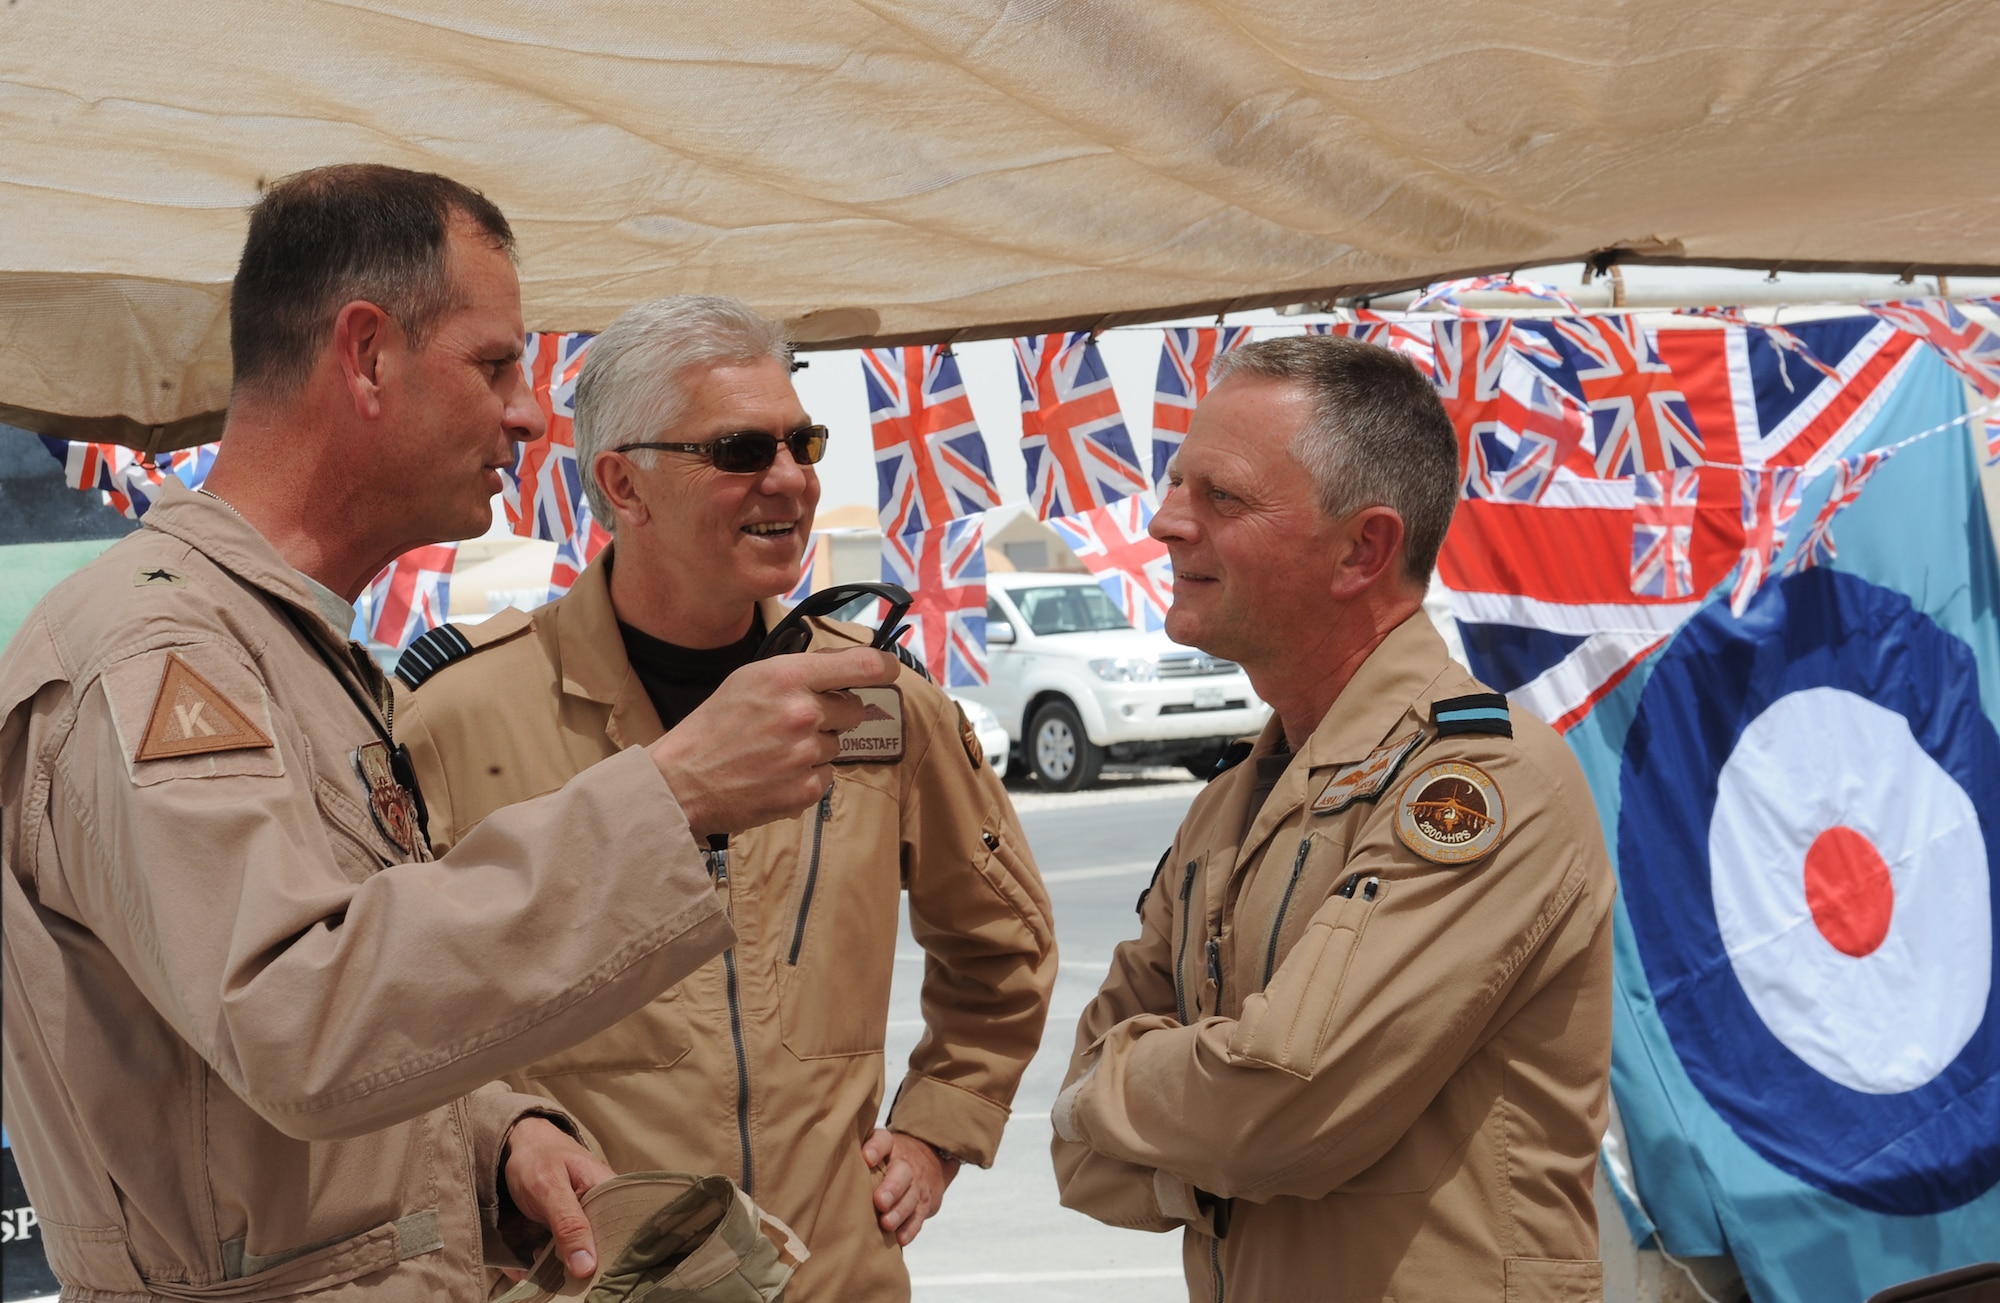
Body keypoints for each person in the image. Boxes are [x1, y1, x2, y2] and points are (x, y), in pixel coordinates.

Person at [0, 165, 900, 1302]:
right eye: (493, 365)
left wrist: (497, 1132)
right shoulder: (160, 658)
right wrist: (667, 795)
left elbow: (246, 1069)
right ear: (367, 354)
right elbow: (294, 1024)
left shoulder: (286, 649)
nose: (529, 412)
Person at [391, 293, 1058, 1303]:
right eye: (741, 449)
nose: (788, 478)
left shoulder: (874, 704)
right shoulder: (453, 716)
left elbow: (1003, 945)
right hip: (591, 1281)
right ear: (624, 481)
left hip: (833, 1280)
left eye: (802, 442)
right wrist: (502, 1135)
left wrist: (937, 1128)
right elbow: (376, 1006)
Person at [1049, 335, 1616, 1302]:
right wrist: (1203, 1120)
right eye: (1177, 484)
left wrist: (1155, 1108)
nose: (1163, 521)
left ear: (1364, 548)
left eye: (1219, 496)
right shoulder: (1234, 801)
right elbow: (1082, 1157)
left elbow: (1284, 1107)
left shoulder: (1482, 781)